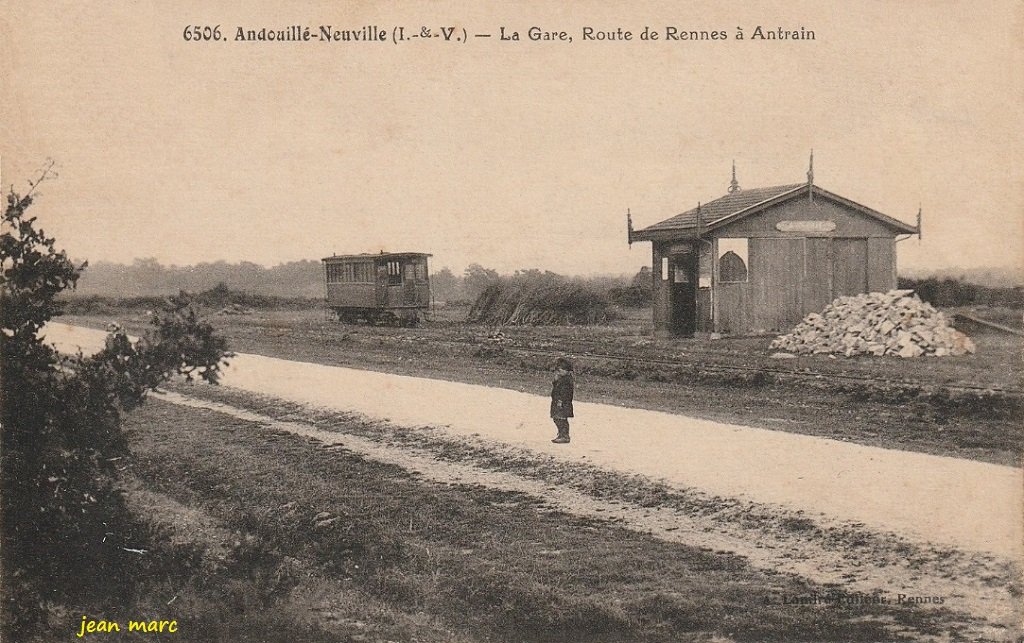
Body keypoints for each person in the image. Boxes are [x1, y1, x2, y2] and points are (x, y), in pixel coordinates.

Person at [550, 357, 574, 444]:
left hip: (562, 402)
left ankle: (564, 435)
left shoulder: (566, 380)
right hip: (558, 401)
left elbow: (565, 392)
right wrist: (556, 380)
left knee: (561, 419)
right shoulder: (562, 379)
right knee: (557, 418)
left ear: (566, 371)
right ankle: (561, 434)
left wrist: (560, 401)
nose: (558, 372)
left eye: (561, 370)